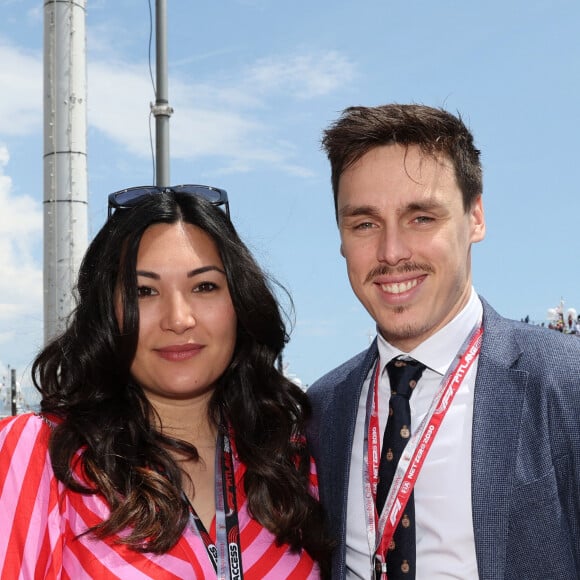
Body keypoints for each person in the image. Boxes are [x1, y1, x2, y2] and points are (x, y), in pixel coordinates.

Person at [0, 185, 332, 579]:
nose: (178, 318)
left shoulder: (291, 463)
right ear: (109, 313)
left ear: (240, 304)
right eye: (144, 291)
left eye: (204, 286)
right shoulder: (38, 456)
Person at [307, 104, 580, 579]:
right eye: (365, 224)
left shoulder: (565, 382)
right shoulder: (321, 410)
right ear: (341, 237)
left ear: (475, 217)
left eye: (421, 217)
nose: (392, 252)